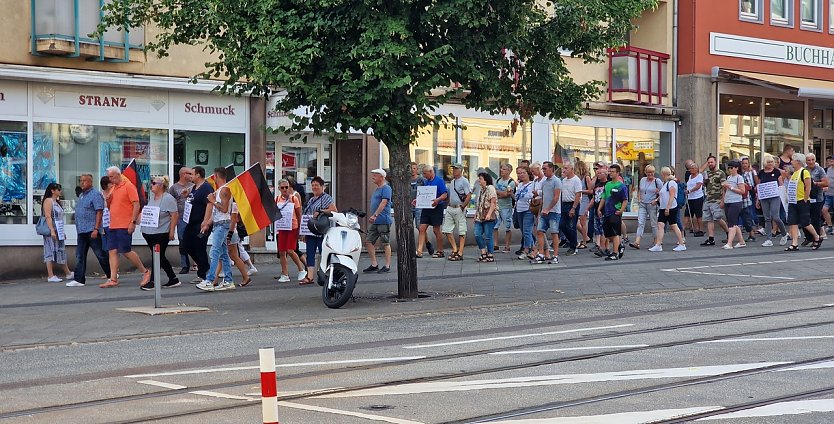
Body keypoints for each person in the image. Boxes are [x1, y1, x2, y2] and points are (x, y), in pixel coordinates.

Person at [101, 166, 151, 289]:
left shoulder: (128, 186)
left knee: (125, 251)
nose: (110, 179)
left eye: (112, 176)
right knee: (112, 250)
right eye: (109, 177)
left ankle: (144, 271)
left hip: (124, 224)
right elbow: (109, 206)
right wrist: (108, 200)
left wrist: (132, 222)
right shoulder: (113, 188)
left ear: (118, 175)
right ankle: (113, 278)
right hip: (113, 224)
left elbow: (136, 204)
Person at [66, 174, 111, 287]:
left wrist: (96, 228)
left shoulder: (95, 194)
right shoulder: (81, 195)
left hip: (92, 230)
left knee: (100, 255)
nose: (82, 183)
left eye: (84, 181)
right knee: (79, 255)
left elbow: (99, 212)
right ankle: (79, 279)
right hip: (81, 231)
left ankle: (111, 276)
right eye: (80, 181)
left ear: (90, 182)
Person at [197, 167, 235, 291]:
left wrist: (213, 201)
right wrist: (207, 223)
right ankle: (228, 280)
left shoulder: (225, 189)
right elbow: (216, 212)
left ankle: (209, 280)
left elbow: (224, 209)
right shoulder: (219, 190)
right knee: (223, 254)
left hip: (222, 223)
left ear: (216, 176)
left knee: (214, 252)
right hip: (219, 223)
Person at [140, 176, 180, 290]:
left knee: (157, 257)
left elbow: (174, 215)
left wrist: (172, 231)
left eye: (154, 183)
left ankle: (153, 281)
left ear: (161, 185)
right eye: (151, 183)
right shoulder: (152, 198)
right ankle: (173, 278)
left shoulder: (168, 198)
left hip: (161, 232)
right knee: (159, 256)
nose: (151, 185)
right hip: (149, 232)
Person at [301, 176, 338, 284]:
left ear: (322, 187)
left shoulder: (326, 197)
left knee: (324, 253)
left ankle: (328, 275)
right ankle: (310, 276)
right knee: (310, 253)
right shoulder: (311, 199)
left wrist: (321, 211)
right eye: (312, 185)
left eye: (316, 185)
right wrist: (303, 232)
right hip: (311, 230)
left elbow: (334, 210)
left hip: (322, 231)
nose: (314, 187)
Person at [785, 153, 822, 251]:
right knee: (793, 222)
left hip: (802, 201)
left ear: (798, 161)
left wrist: (805, 198)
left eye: (792, 160)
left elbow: (808, 186)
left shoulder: (804, 172)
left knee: (805, 222)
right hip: (793, 201)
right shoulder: (794, 173)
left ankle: (817, 237)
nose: (791, 162)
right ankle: (794, 243)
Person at [182, 166, 212, 283]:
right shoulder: (194, 187)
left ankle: (202, 274)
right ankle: (204, 265)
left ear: (198, 175)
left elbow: (210, 204)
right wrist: (186, 195)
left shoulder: (206, 187)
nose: (190, 176)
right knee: (186, 244)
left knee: (200, 247)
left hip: (201, 222)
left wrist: (206, 222)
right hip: (191, 221)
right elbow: (193, 200)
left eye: (192, 174)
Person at [274, 179, 306, 282]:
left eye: (286, 187)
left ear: (289, 187)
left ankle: (301, 270)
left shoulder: (294, 198)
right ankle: (285, 274)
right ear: (279, 188)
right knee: (282, 251)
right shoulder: (277, 199)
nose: (284, 189)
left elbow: (299, 214)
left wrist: (301, 230)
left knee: (290, 250)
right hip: (282, 227)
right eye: (282, 187)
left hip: (293, 227)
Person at [41, 183, 74, 283]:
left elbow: (59, 218)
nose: (60, 191)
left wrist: (61, 231)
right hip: (51, 229)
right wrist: (52, 230)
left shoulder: (57, 202)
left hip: (58, 228)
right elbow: (48, 216)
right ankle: (50, 275)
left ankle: (68, 272)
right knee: (50, 250)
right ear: (52, 190)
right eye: (58, 189)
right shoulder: (48, 201)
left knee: (60, 250)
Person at [649, 167, 686, 252]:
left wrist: (668, 208)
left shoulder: (672, 183)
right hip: (663, 207)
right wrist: (656, 200)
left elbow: (672, 195)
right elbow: (663, 195)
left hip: (670, 207)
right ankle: (658, 245)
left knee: (674, 225)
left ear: (664, 174)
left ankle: (681, 244)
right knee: (660, 225)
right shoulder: (666, 183)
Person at [531, 161, 561, 264]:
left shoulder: (556, 181)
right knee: (539, 231)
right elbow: (543, 197)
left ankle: (555, 255)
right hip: (544, 211)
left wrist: (548, 208)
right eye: (542, 168)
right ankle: (541, 254)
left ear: (551, 169)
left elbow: (556, 197)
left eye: (545, 168)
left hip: (554, 212)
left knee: (554, 233)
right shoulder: (544, 182)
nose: (543, 171)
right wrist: (541, 210)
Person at [414, 165, 448, 258]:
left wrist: (437, 200)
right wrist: (418, 200)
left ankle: (440, 250)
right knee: (422, 228)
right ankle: (419, 250)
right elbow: (424, 195)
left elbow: (444, 194)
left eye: (425, 173)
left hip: (437, 207)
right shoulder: (426, 182)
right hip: (426, 207)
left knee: (436, 230)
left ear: (430, 172)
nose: (424, 175)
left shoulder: (439, 181)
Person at [364, 168, 393, 273]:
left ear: (382, 177)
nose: (373, 177)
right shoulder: (377, 189)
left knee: (385, 242)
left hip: (383, 220)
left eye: (375, 175)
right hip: (375, 221)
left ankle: (387, 265)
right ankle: (374, 263)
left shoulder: (386, 188)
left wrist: (375, 215)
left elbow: (384, 202)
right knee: (368, 241)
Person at [755, 155, 788, 247]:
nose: (770, 164)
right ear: (765, 163)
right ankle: (769, 239)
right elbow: (759, 186)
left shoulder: (776, 172)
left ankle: (784, 233)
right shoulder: (761, 173)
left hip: (775, 196)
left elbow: (781, 184)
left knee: (776, 217)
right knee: (767, 218)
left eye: (771, 162)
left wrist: (783, 196)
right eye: (768, 162)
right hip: (764, 197)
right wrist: (758, 199)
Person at [598, 164, 628, 261]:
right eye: (609, 171)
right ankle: (620, 245)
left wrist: (621, 210)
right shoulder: (607, 184)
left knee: (615, 233)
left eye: (612, 172)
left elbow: (625, 200)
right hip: (607, 212)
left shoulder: (621, 186)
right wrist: (599, 209)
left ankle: (615, 253)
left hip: (615, 212)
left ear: (618, 173)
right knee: (608, 234)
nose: (610, 173)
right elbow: (603, 197)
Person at [443, 163, 471, 261]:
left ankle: (460, 252)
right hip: (450, 207)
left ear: (460, 170)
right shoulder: (453, 181)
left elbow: (468, 195)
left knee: (461, 230)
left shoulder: (464, 181)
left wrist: (463, 207)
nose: (453, 171)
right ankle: (455, 249)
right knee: (446, 229)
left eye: (455, 169)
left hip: (459, 208)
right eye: (453, 169)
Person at [169, 166, 194, 274]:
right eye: (189, 173)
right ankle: (185, 264)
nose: (191, 175)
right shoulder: (174, 188)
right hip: (181, 218)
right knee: (182, 241)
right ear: (183, 174)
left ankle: (197, 262)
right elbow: (170, 203)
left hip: (193, 217)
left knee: (194, 241)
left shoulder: (194, 186)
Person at [699, 156, 729, 246]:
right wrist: (705, 182)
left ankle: (728, 233)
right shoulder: (707, 173)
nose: (710, 164)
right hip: (708, 198)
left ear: (716, 162)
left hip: (717, 199)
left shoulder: (721, 173)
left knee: (718, 218)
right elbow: (700, 172)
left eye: (712, 162)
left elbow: (725, 188)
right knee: (709, 219)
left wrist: (723, 200)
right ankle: (711, 238)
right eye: (708, 162)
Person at [631, 165, 660, 250]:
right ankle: (637, 242)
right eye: (648, 172)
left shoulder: (657, 181)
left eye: (652, 172)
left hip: (652, 204)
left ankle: (656, 241)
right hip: (643, 204)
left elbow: (662, 193)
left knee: (653, 224)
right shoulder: (643, 180)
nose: (650, 174)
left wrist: (656, 200)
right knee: (640, 222)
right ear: (645, 172)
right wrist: (639, 198)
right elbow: (640, 190)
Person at [720, 160, 748, 250]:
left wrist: (730, 187)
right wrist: (723, 200)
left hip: (735, 202)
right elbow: (725, 191)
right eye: (729, 168)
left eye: (732, 168)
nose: (730, 169)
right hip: (728, 201)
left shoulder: (739, 178)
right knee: (733, 223)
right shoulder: (729, 177)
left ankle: (729, 243)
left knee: (731, 223)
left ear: (736, 168)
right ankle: (741, 241)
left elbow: (742, 191)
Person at [225, 201, 251, 287]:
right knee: (232, 255)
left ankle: (245, 276)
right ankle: (245, 276)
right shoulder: (232, 204)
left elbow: (234, 220)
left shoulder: (234, 204)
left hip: (231, 232)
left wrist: (229, 234)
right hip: (231, 231)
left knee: (233, 255)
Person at [803, 153, 828, 244]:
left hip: (817, 197)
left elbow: (826, 183)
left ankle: (816, 238)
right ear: (806, 161)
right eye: (809, 160)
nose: (811, 162)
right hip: (806, 197)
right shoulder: (804, 170)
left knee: (815, 219)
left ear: (815, 160)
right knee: (805, 218)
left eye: (812, 160)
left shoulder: (819, 170)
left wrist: (815, 183)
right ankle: (808, 237)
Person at [410, 162, 434, 255]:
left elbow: (427, 191)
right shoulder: (406, 180)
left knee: (420, 227)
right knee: (408, 227)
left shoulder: (421, 180)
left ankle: (427, 244)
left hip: (419, 206)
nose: (413, 170)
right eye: (411, 168)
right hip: (409, 205)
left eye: (414, 168)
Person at [474, 172, 498, 262]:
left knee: (488, 236)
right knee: (477, 234)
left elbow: (493, 202)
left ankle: (490, 254)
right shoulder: (481, 190)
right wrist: (476, 214)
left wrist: (489, 214)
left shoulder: (490, 188)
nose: (479, 180)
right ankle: (483, 253)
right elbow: (479, 203)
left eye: (480, 179)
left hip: (488, 215)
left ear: (485, 180)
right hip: (480, 216)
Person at [559, 162, 582, 255]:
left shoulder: (576, 180)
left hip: (572, 204)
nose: (564, 170)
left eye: (566, 168)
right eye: (563, 168)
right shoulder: (563, 180)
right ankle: (574, 241)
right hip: (564, 204)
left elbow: (578, 194)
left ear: (572, 169)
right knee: (562, 225)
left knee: (572, 226)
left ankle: (573, 246)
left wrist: (573, 208)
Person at [493, 164, 517, 253]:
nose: (501, 170)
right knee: (494, 226)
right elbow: (494, 193)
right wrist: (501, 193)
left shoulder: (511, 182)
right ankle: (495, 244)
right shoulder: (498, 180)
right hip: (497, 206)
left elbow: (507, 194)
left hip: (507, 207)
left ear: (509, 171)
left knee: (508, 227)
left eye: (504, 169)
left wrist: (499, 193)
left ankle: (507, 246)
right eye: (501, 169)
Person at [514, 167, 535, 259]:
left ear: (528, 174)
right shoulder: (520, 185)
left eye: (523, 173)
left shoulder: (532, 184)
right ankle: (534, 248)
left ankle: (526, 250)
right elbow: (516, 197)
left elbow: (533, 195)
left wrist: (528, 195)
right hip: (519, 209)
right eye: (519, 173)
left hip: (528, 210)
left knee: (527, 231)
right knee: (525, 231)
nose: (521, 175)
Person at [591, 162, 610, 257]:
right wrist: (588, 208)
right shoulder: (597, 185)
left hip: (604, 210)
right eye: (597, 173)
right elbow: (594, 197)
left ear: (605, 174)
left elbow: (606, 198)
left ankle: (603, 248)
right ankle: (606, 248)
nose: (598, 174)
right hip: (596, 209)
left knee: (603, 230)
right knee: (598, 229)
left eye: (600, 173)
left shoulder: (608, 184)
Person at [739, 157, 759, 241]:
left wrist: (757, 192)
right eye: (743, 163)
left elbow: (756, 182)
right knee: (745, 214)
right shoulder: (740, 173)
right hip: (743, 194)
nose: (744, 165)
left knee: (749, 213)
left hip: (750, 193)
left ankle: (753, 229)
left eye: (746, 163)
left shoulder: (752, 172)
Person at [576, 160, 594, 249]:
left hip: (585, 200)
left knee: (583, 221)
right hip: (579, 200)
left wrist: (580, 191)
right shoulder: (578, 178)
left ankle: (584, 241)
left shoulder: (586, 177)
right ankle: (585, 237)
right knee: (576, 221)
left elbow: (591, 191)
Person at [684, 162, 705, 237]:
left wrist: (690, 191)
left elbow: (698, 186)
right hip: (690, 198)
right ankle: (682, 229)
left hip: (697, 197)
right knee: (687, 213)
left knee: (698, 214)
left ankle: (701, 230)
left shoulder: (699, 176)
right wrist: (687, 190)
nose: (691, 170)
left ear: (697, 169)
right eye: (690, 168)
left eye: (693, 168)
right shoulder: (690, 176)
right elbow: (688, 185)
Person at [823, 155, 834, 234]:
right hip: (828, 194)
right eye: (831, 159)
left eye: (833, 160)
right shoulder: (828, 169)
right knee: (824, 210)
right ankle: (830, 226)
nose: (831, 161)